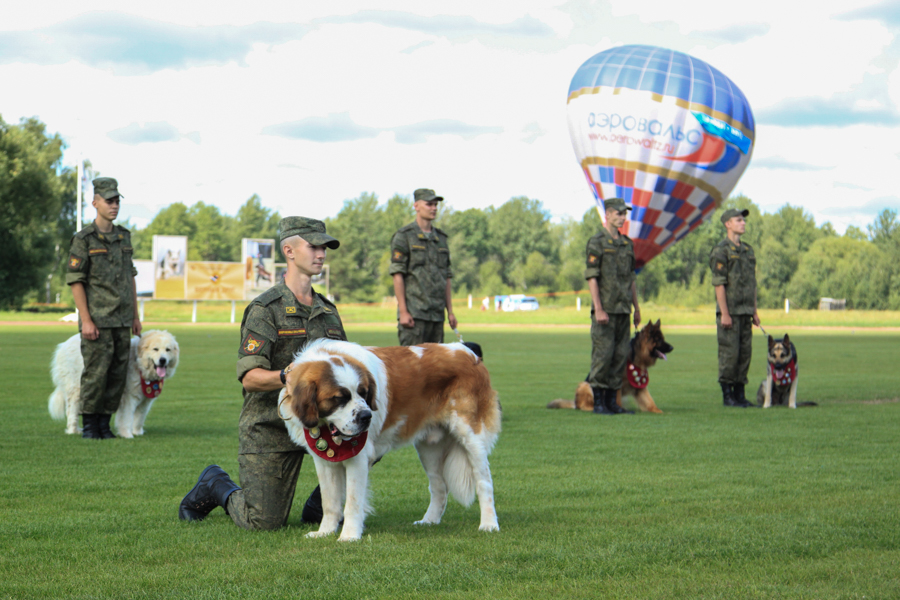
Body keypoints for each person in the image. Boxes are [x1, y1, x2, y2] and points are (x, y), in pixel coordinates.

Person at [179, 217, 347, 529]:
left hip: (319, 423)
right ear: (290, 250)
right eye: (314, 246)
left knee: (367, 431)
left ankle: (322, 507)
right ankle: (215, 485)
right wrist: (287, 375)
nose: (322, 253)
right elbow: (250, 377)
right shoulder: (265, 309)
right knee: (263, 522)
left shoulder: (328, 312)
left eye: (324, 247)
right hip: (271, 425)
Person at [65, 177, 142, 439]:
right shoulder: (83, 239)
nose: (114, 205)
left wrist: (135, 316)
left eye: (117, 200)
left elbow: (130, 277)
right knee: (95, 374)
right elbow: (76, 281)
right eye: (109, 200)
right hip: (97, 320)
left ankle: (104, 424)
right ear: (95, 202)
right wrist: (85, 320)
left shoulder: (123, 236)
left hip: (122, 320)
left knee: (116, 375)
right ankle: (89, 426)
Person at [584, 198, 641, 415]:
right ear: (607, 215)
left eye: (624, 214)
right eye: (618, 213)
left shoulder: (627, 244)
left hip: (623, 310)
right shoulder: (597, 242)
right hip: (605, 310)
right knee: (603, 355)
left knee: (619, 357)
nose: (622, 217)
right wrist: (598, 307)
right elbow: (592, 277)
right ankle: (599, 402)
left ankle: (613, 402)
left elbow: (631, 279)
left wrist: (637, 308)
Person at [389, 188, 457, 345]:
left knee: (437, 367)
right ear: (417, 206)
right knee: (412, 367)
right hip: (414, 315)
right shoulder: (404, 236)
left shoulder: (441, 239)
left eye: (435, 205)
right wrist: (404, 311)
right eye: (429, 204)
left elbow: (446, 277)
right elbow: (398, 275)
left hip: (437, 316)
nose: (433, 208)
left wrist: (450, 312)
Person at [709, 208, 761, 408]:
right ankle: (728, 395)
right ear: (727, 224)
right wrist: (724, 313)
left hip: (745, 312)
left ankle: (740, 394)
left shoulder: (748, 251)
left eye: (744, 220)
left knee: (744, 354)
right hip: (729, 313)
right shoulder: (721, 250)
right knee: (729, 354)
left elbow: (752, 284)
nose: (743, 223)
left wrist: (754, 311)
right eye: (738, 220)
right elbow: (719, 283)